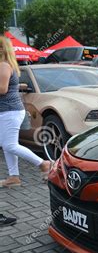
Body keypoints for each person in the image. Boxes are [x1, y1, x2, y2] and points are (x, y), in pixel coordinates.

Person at [0, 36, 51, 188]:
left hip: (10, 111)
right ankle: (13, 177)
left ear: (2, 49)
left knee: (9, 145)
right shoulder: (6, 65)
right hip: (8, 111)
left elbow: (2, 89)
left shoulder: (3, 65)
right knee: (8, 144)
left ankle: (43, 163)